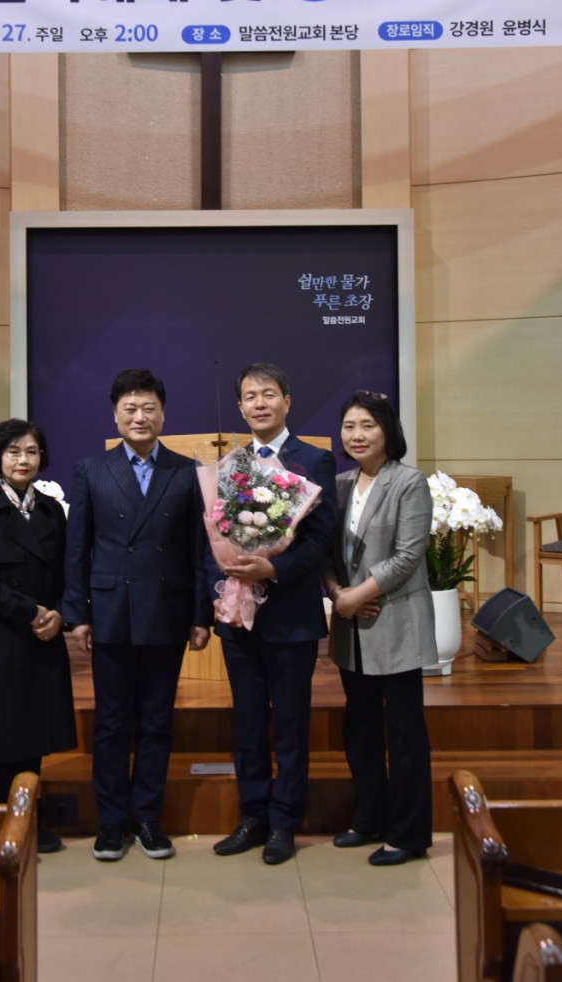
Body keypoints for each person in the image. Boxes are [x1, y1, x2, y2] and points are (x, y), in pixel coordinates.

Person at [63, 368, 212, 862]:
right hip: (110, 612)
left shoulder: (185, 471)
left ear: (163, 414)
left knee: (156, 721)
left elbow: (198, 550)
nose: (140, 416)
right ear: (115, 415)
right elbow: (76, 549)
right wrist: (78, 614)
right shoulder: (91, 469)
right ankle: (110, 823)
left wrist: (200, 615)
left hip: (166, 612)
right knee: (110, 722)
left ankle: (147, 818)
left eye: (149, 408)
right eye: (130, 408)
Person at [211, 362, 336, 865]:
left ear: (287, 401)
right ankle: (252, 816)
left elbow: (321, 540)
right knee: (246, 723)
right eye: (250, 396)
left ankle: (285, 822)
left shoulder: (315, 460)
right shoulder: (229, 465)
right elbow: (213, 533)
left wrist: (274, 570)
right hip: (239, 618)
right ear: (240, 407)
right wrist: (223, 583)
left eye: (268, 394)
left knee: (289, 723)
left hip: (291, 616)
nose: (259, 403)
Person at [322, 390, 437, 866]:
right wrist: (336, 592)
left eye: (367, 425)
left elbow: (408, 556)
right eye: (349, 426)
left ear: (387, 430)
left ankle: (409, 834)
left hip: (395, 620)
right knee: (361, 726)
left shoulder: (409, 482)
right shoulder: (339, 484)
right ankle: (369, 816)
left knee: (404, 732)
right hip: (352, 625)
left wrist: (357, 595)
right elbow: (325, 551)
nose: (357, 435)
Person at [0, 418, 77, 853]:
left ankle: (30, 824)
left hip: (43, 636)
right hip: (0, 636)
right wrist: (31, 612)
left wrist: (60, 614)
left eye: (31, 451)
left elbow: (66, 572)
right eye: (13, 452)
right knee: (0, 736)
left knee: (33, 734)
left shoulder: (51, 511)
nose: (23, 460)